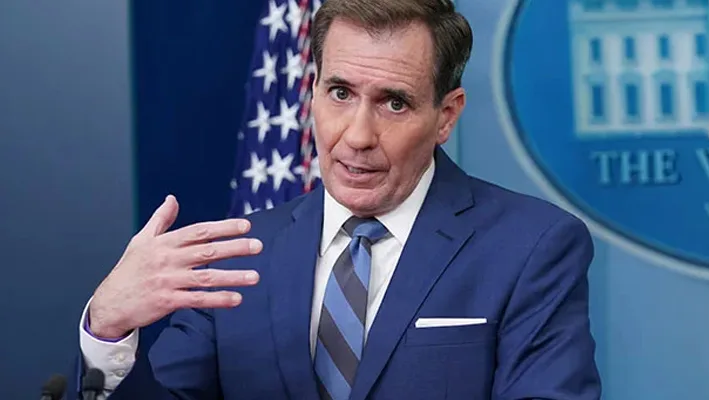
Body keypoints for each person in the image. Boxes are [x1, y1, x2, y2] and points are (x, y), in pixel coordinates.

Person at [71, 0, 601, 398]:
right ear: (314, 92)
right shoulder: (235, 257)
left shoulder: (530, 247)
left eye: (394, 103)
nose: (357, 136)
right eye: (341, 93)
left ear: (446, 116)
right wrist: (109, 328)